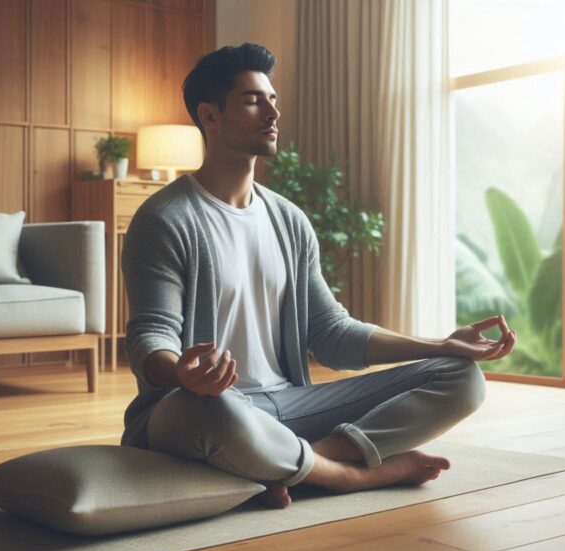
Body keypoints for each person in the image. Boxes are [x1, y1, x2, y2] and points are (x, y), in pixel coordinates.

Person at [118, 43, 517, 508]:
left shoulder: (289, 221)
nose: (272, 110)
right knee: (210, 413)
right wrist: (183, 374)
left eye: (273, 99)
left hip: (287, 408)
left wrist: (440, 345)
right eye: (253, 100)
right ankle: (351, 477)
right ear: (210, 116)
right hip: (200, 409)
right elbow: (151, 335)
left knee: (462, 378)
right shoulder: (165, 218)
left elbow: (332, 333)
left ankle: (304, 463)